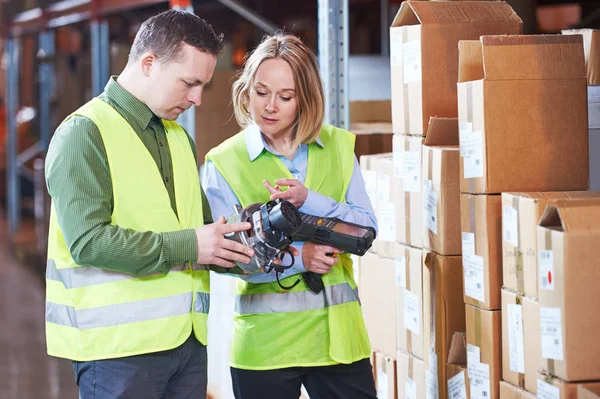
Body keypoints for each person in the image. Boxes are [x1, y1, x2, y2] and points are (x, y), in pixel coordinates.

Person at [45, 10, 255, 399]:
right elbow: (89, 242)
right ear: (148, 63)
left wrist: (257, 246)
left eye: (203, 86)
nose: (196, 98)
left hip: (188, 345)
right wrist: (192, 244)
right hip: (119, 354)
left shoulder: (178, 138)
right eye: (189, 83)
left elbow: (202, 235)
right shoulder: (84, 133)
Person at [203, 33, 378, 399]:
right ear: (246, 91)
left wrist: (309, 200)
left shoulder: (338, 147)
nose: (269, 106)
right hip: (267, 348)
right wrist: (302, 258)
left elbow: (366, 228)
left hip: (339, 341)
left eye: (285, 97)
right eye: (261, 92)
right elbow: (226, 258)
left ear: (305, 100)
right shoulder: (224, 162)